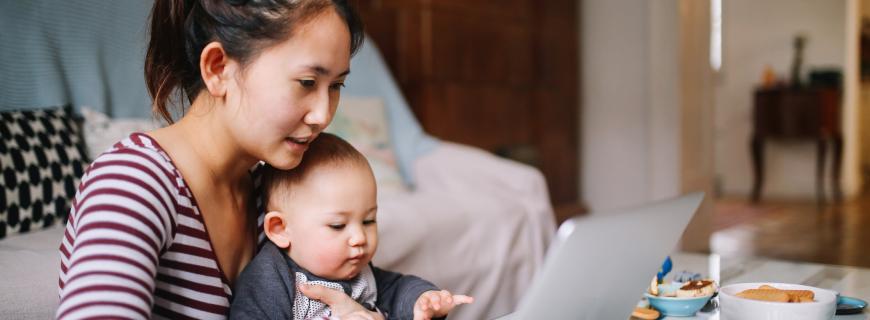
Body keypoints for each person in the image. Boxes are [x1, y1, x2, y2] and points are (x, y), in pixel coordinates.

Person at [55, 0, 384, 318]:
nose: (323, 115)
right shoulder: (131, 185)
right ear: (218, 69)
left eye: (336, 85)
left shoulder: (276, 195)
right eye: (307, 82)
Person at [229, 133, 472, 320]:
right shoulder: (272, 277)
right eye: (337, 225)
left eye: (368, 221)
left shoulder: (361, 273)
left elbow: (398, 289)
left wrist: (423, 300)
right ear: (281, 229)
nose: (359, 237)